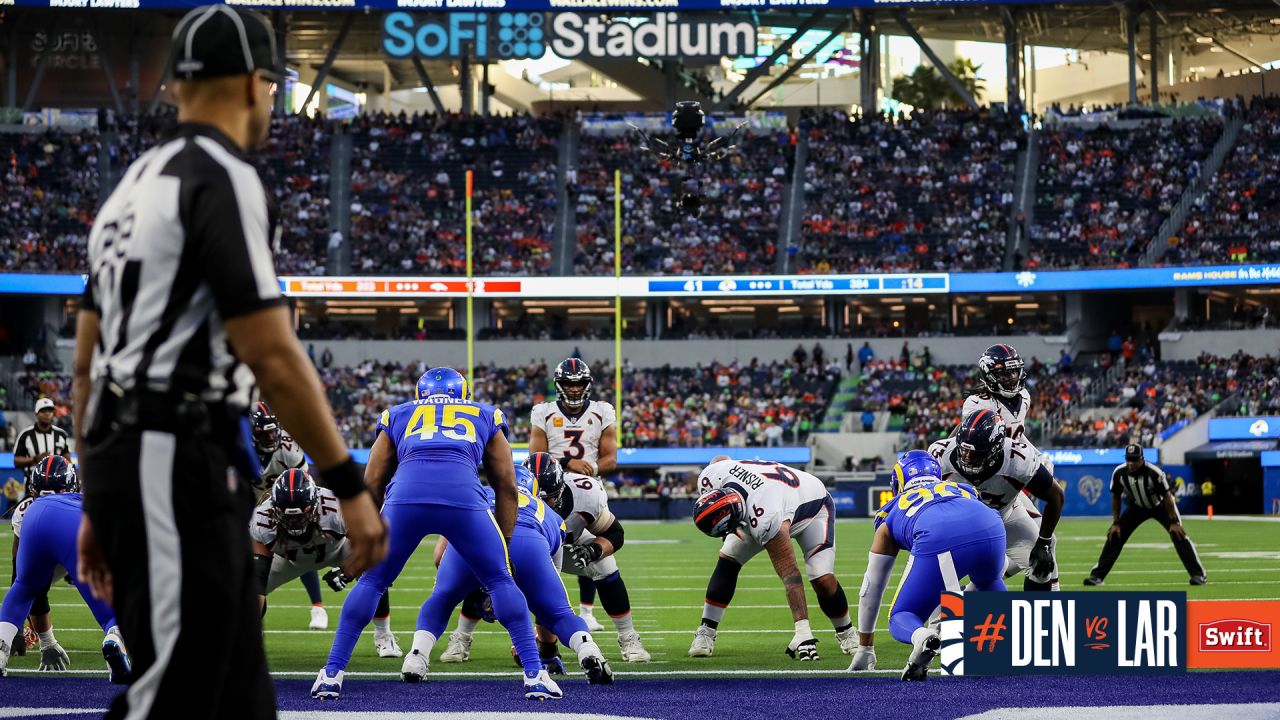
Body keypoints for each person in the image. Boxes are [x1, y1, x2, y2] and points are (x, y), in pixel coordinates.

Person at [72, 7, 387, 718]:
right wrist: (350, 485)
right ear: (254, 82)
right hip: (174, 453)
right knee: (175, 690)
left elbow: (85, 367)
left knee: (241, 698)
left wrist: (97, 494)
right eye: (273, 85)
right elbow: (270, 351)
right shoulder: (224, 174)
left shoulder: (124, 191)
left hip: (139, 452)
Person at [314, 368, 560, 701]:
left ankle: (331, 674)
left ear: (421, 394)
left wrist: (365, 537)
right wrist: (505, 540)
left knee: (372, 582)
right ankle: (534, 675)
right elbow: (505, 484)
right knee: (501, 580)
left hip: (405, 497)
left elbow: (372, 482)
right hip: (463, 498)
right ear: (464, 394)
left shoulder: (398, 413)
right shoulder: (486, 414)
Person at [408, 462, 613, 686]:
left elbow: (439, 557)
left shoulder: (478, 494)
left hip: (474, 541)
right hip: (530, 543)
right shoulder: (552, 516)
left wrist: (482, 591)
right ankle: (588, 650)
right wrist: (548, 652)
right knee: (560, 613)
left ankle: (416, 657)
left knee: (442, 598)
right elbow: (546, 601)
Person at [441, 450, 649, 664]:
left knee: (605, 564)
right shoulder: (504, 492)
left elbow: (615, 533)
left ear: (561, 489)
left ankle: (628, 637)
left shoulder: (585, 494)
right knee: (485, 565)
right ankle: (461, 637)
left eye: (547, 498)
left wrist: (593, 550)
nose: (541, 503)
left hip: (565, 547)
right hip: (520, 544)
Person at [847, 450, 1007, 680]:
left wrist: (865, 648)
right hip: (992, 524)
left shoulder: (890, 509)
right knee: (988, 582)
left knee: (902, 614)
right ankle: (1001, 646)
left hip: (938, 534)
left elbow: (872, 585)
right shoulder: (962, 488)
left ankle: (923, 637)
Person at [688, 456, 854, 660]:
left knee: (821, 578)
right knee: (728, 560)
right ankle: (706, 630)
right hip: (769, 500)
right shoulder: (711, 476)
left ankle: (847, 633)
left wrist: (803, 631)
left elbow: (791, 575)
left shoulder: (765, 516)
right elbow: (721, 459)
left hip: (813, 509)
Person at [0, 455, 132, 684]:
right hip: (74, 527)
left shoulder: (24, 509)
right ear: (71, 482)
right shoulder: (89, 499)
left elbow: (22, 577)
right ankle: (115, 635)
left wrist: (46, 639)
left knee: (23, 587)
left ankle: (1, 645)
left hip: (34, 522)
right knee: (113, 604)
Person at [526, 358, 629, 643]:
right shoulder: (543, 412)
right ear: (559, 385)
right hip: (549, 490)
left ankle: (597, 618)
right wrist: (570, 463)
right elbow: (536, 457)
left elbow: (611, 459)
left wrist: (591, 467)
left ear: (588, 384)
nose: (574, 389)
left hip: (587, 489)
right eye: (569, 383)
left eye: (579, 383)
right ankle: (531, 636)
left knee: (596, 554)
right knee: (535, 562)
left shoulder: (602, 410)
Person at [928, 410, 1064, 591]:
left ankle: (1035, 618)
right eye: (963, 450)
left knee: (1040, 567)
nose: (966, 458)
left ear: (995, 448)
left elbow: (1056, 496)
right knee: (941, 574)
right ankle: (945, 615)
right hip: (958, 525)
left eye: (975, 453)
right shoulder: (940, 456)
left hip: (1005, 515)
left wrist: (1044, 541)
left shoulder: (1018, 460)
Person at [250, 401, 330, 631]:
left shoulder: (287, 447)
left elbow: (304, 483)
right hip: (250, 504)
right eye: (262, 434)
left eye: (272, 431)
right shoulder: (240, 447)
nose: (270, 437)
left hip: (284, 505)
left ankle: (318, 606)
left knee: (302, 546)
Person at [1085, 445, 1206, 586]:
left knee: (1178, 535)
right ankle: (1097, 576)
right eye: (1129, 460)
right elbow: (1116, 497)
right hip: (1137, 507)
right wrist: (1116, 523)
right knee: (1115, 535)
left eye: (1135, 460)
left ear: (1142, 459)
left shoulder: (1154, 472)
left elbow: (1167, 496)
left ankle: (1198, 575)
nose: (1132, 464)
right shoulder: (1119, 472)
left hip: (1160, 506)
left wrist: (1173, 521)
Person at [13, 398, 71, 485]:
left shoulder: (61, 434)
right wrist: (34, 459)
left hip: (58, 484)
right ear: (36, 413)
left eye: (50, 411)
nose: (47, 414)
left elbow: (68, 460)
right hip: (32, 483)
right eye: (43, 411)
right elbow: (16, 461)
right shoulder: (25, 434)